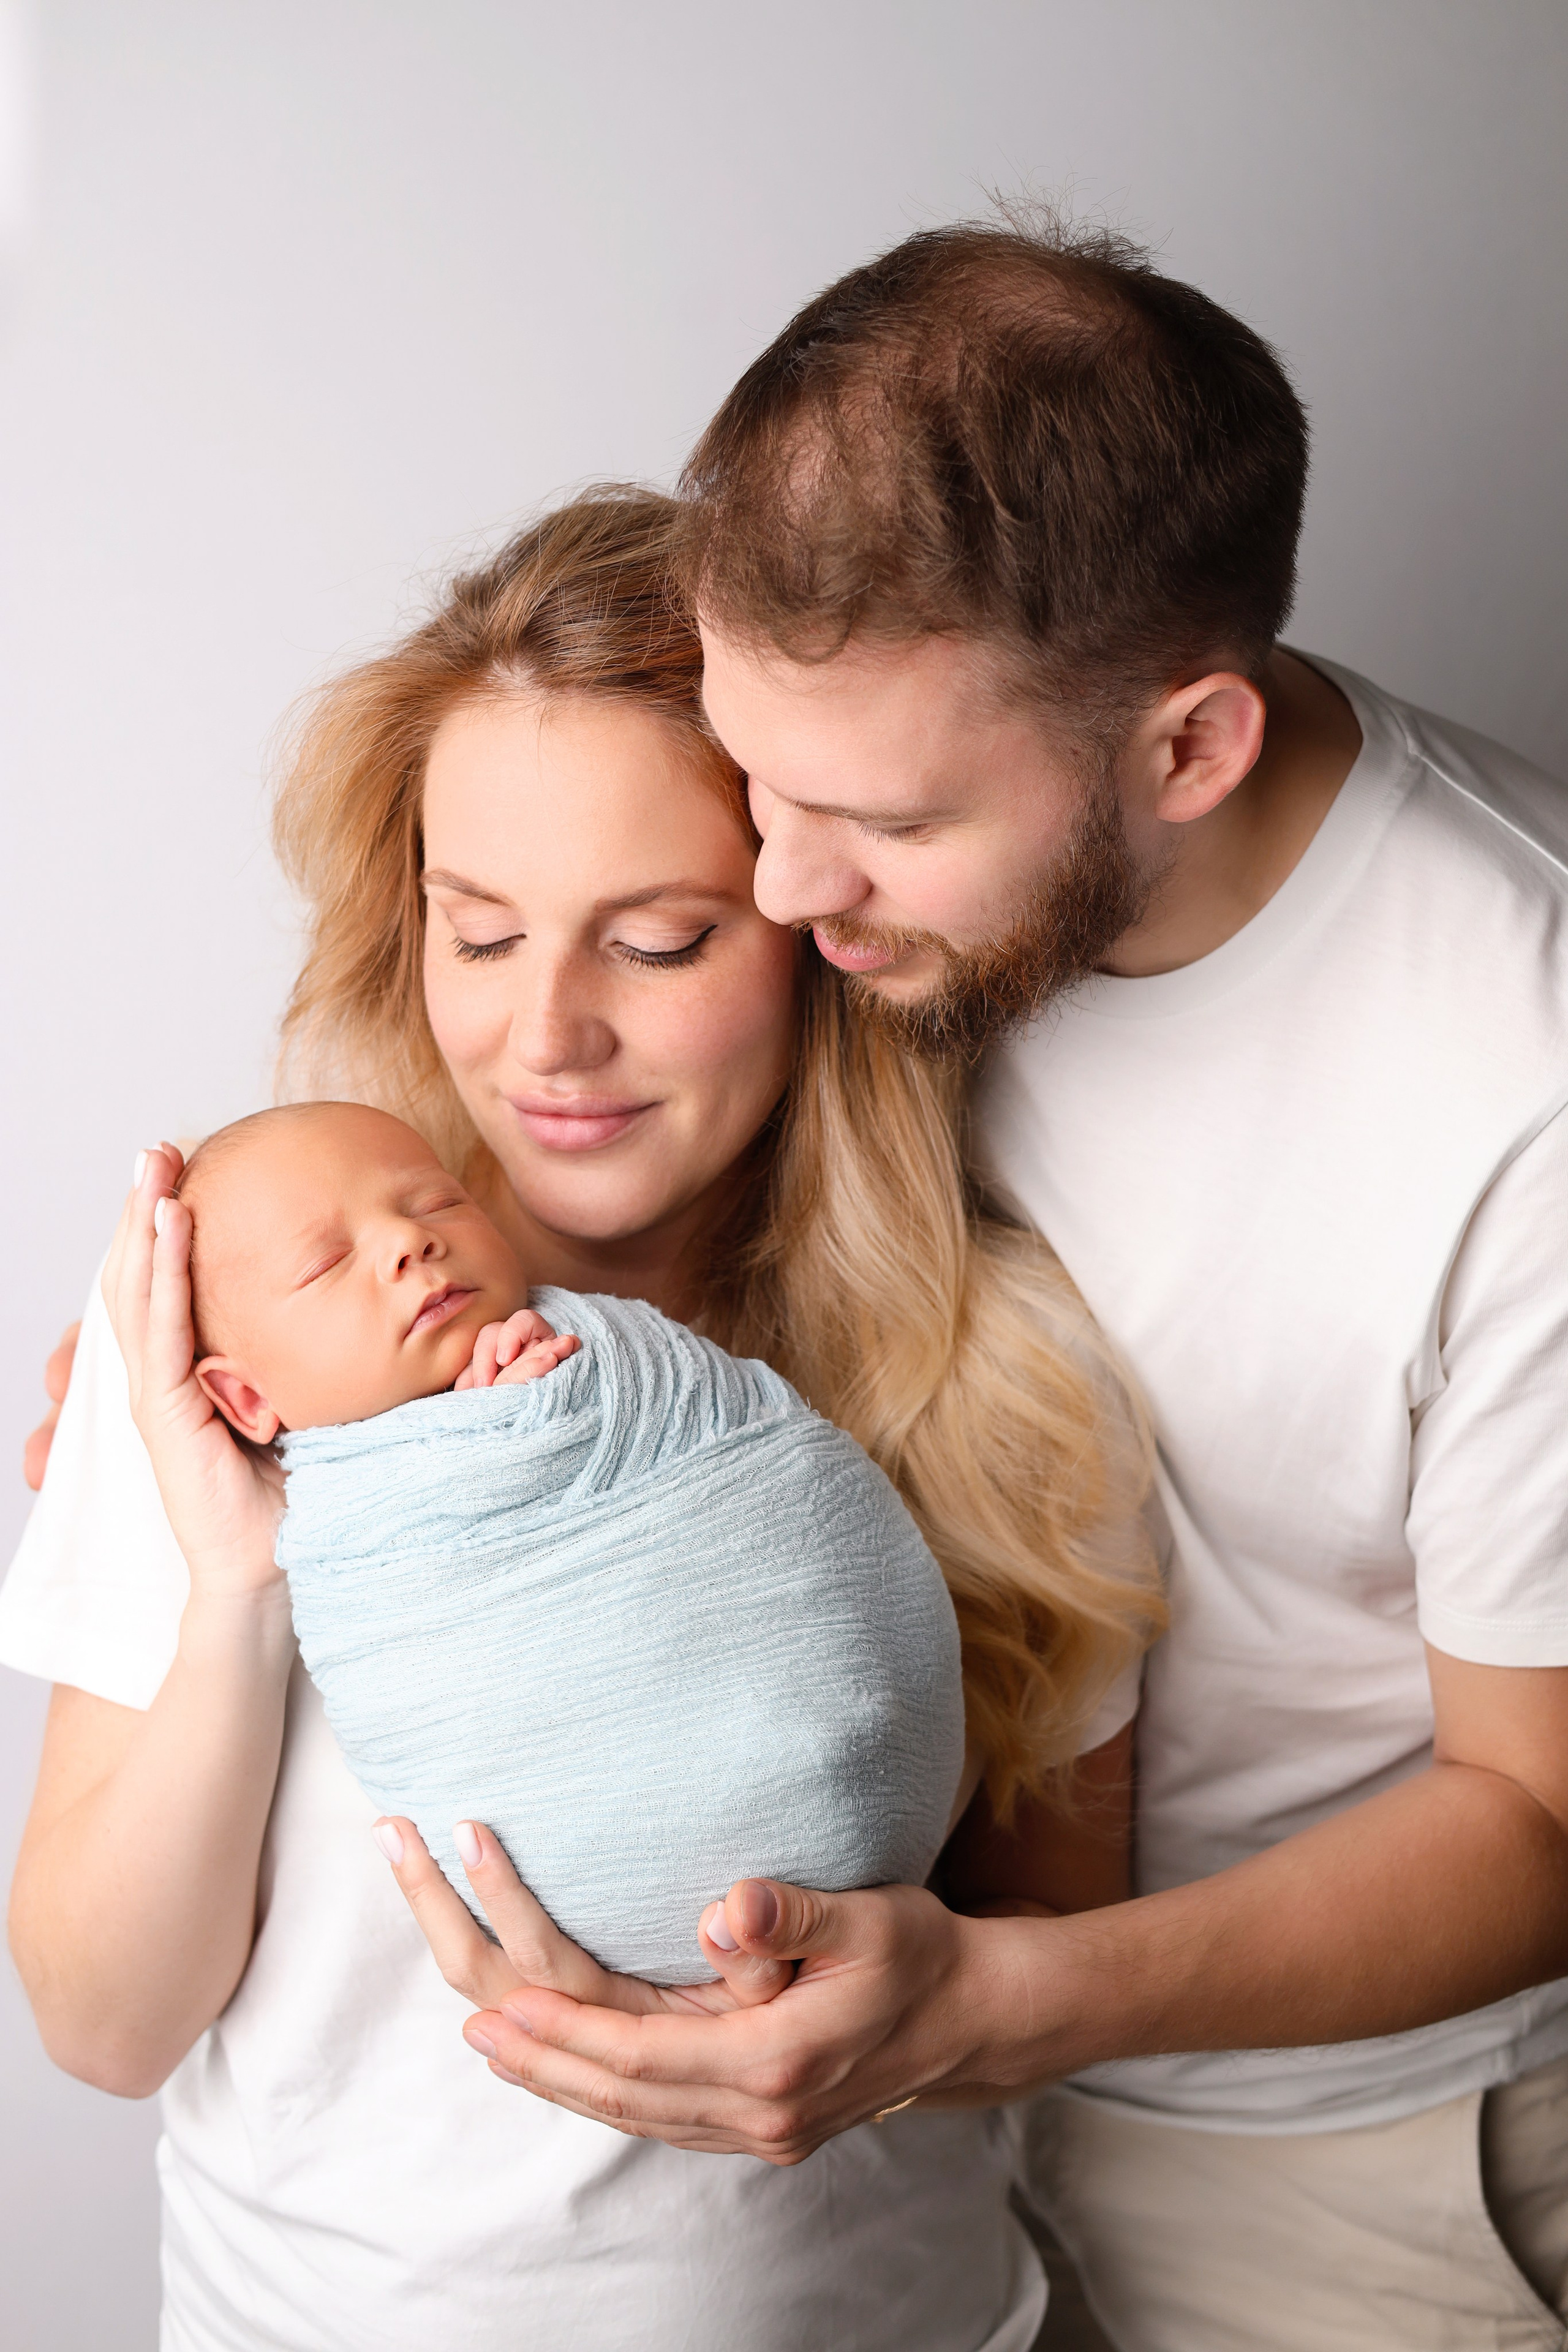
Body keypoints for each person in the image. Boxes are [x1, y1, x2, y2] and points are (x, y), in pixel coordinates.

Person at [437, 222, 1568, 2350]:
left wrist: (999, 2006)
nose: (780, 886)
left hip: (1343, 2171)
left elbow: (1541, 1814)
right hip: (897, 2140)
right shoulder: (889, 849)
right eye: (760, 785)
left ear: (1190, 749)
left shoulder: (1527, 1087)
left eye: (869, 820)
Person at [3, 488, 1157, 2351]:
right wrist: (236, 1576)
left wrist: (902, 2024)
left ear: (814, 933)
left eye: (658, 940)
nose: (546, 1038)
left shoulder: (1003, 1388)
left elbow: (1051, 1979)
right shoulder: (231, 1346)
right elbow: (106, 2026)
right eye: (481, 933)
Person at [160, 1096, 967, 1982]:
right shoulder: (285, 1506)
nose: (410, 1242)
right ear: (243, 1402)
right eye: (327, 1263)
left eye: (434, 1204)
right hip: (588, 1914)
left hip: (865, 1828)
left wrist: (550, 1412)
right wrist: (491, 1445)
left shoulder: (584, 1342)